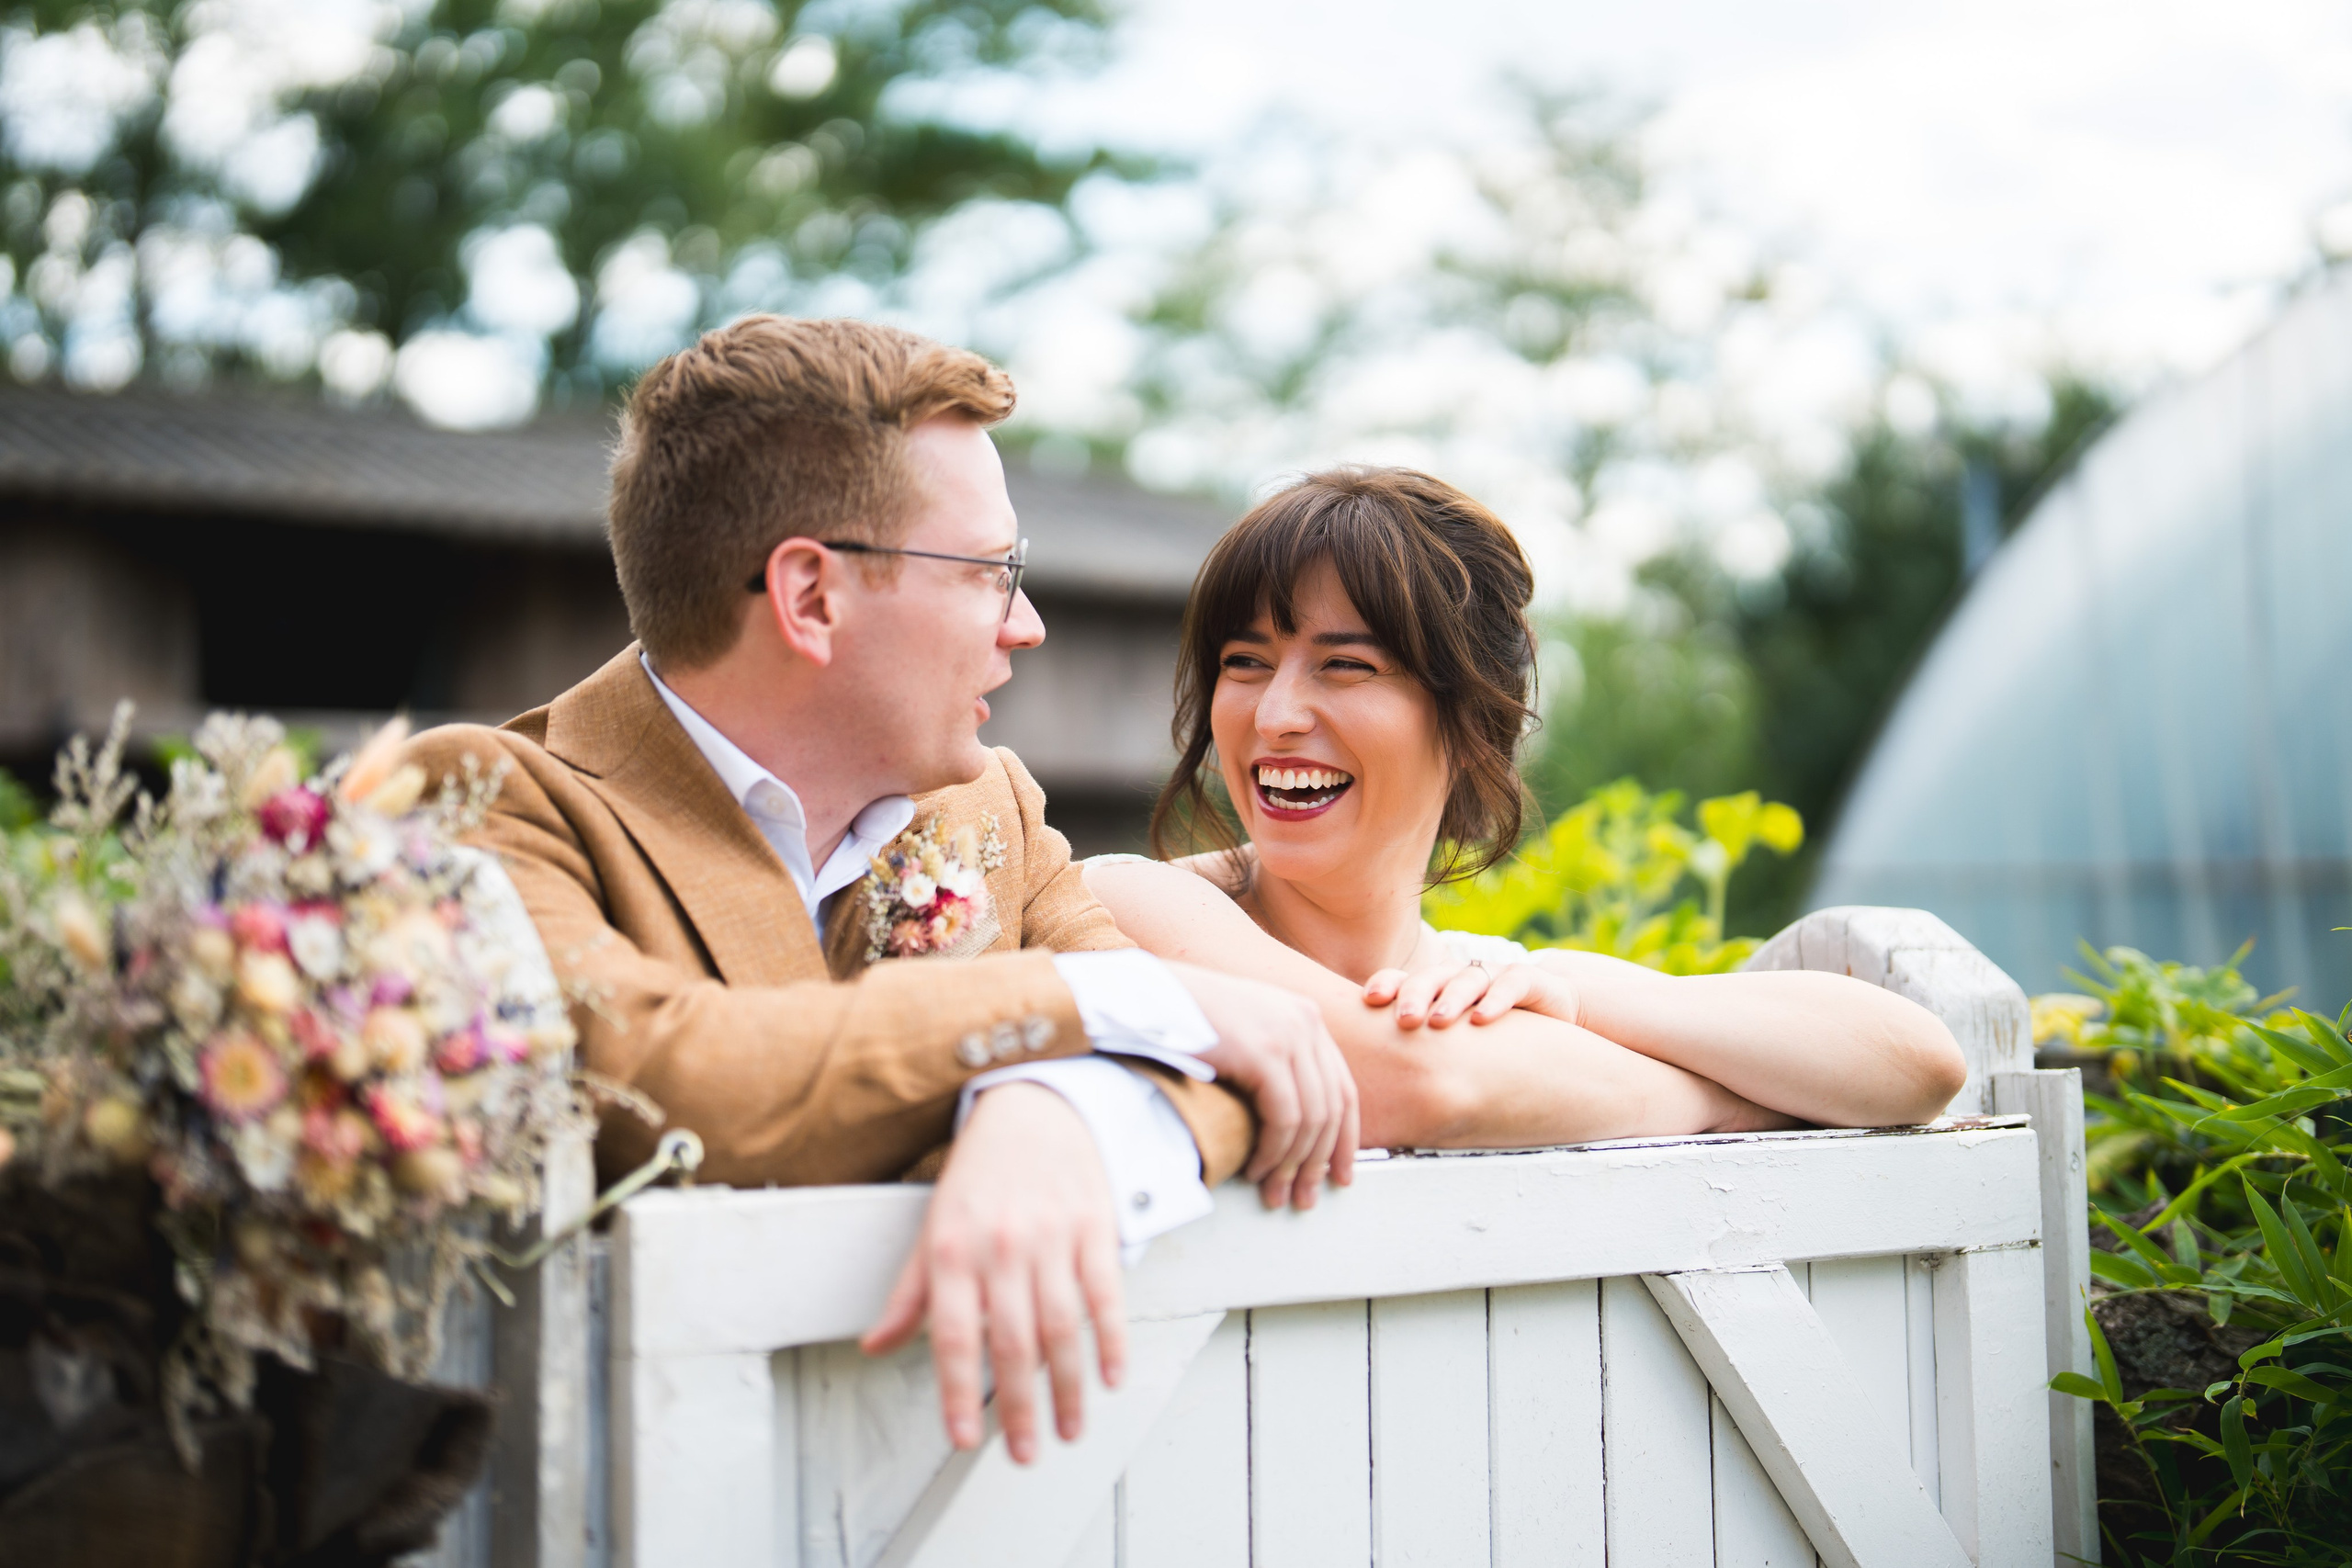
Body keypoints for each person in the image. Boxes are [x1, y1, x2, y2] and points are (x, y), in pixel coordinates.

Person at [401, 317, 1360, 1468]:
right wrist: (1096, 1009)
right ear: (810, 597)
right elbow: (666, 1078)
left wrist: (1051, 1109)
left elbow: (1229, 1079)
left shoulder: (991, 806)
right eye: (992, 573)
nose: (1027, 625)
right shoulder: (480, 802)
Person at [1084, 467, 1969, 1149]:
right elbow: (1423, 1084)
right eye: (1244, 662)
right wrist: (1731, 1102)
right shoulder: (1125, 905)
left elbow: (1920, 1063)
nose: (1275, 714)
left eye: (1345, 665)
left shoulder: (1490, 983)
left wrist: (1577, 995)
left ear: (1470, 720)